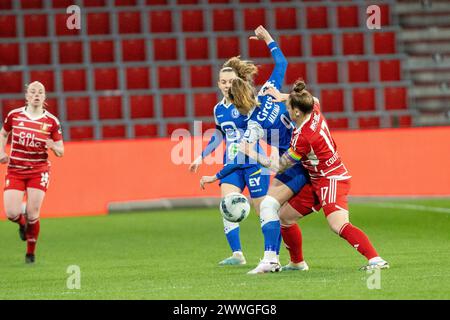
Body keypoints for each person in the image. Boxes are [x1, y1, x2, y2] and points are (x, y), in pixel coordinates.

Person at [244, 81, 389, 271]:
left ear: (297, 112)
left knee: (338, 224)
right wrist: (283, 97)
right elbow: (314, 99)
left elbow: (279, 166)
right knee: (285, 217)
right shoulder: (313, 111)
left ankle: (376, 260)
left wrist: (252, 153)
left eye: (287, 108)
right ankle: (297, 263)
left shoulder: (304, 137)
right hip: (316, 179)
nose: (285, 111)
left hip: (331, 178)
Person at [200, 26, 310, 274]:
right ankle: (290, 261)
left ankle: (277, 259)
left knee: (274, 209)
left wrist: (215, 175)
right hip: (306, 151)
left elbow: (240, 160)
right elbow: (281, 62)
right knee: (279, 211)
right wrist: (268, 38)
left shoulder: (253, 126)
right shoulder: (270, 91)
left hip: (292, 160)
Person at [189, 56, 269, 266]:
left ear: (238, 81)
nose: (226, 85)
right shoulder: (218, 109)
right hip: (231, 164)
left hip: (253, 163)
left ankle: (271, 255)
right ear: (218, 84)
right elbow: (219, 135)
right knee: (227, 205)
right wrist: (201, 156)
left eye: (230, 81)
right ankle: (237, 255)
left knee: (264, 211)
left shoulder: (248, 102)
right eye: (223, 82)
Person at [0, 81, 64, 264]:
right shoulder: (14, 115)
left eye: (40, 92)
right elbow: (3, 133)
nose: (37, 94)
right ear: (27, 96)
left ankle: (30, 253)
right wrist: (1, 152)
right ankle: (22, 223)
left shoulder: (51, 121)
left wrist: (53, 146)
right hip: (16, 169)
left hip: (38, 170)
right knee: (12, 213)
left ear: (44, 97)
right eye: (33, 92)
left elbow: (61, 151)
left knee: (33, 212)